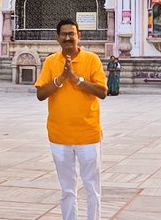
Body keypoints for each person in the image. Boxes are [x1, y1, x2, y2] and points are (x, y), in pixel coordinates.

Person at [35, 19, 107, 220]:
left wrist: (77, 80)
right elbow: (40, 94)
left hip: (88, 135)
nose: (68, 37)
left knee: (92, 187)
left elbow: (102, 92)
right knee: (67, 189)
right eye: (64, 34)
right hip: (59, 137)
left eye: (72, 33)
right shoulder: (51, 62)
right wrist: (60, 79)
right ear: (57, 38)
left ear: (79, 36)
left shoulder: (91, 60)